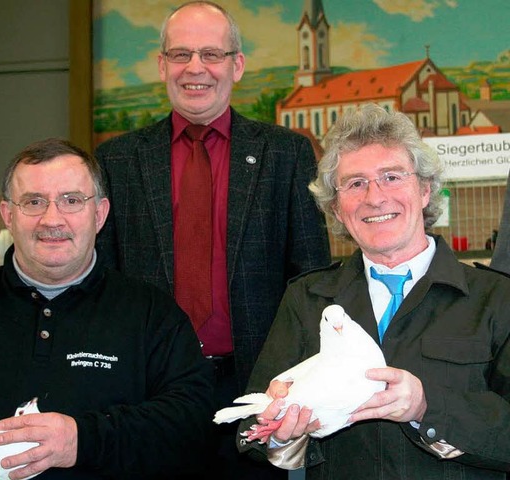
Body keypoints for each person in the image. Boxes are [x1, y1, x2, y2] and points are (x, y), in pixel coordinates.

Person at [0, 138, 214, 479]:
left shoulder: (151, 314)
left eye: (71, 200)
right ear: (8, 215)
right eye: (33, 201)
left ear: (100, 214)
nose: (52, 219)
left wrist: (84, 440)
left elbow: (191, 420)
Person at [94, 3, 330, 477]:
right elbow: (104, 285)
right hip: (148, 394)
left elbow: (311, 281)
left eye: (211, 54)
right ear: (162, 65)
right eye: (180, 54)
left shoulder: (286, 153)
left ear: (236, 65)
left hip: (256, 392)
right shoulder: (117, 161)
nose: (195, 68)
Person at [238, 103, 510, 478]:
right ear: (336, 209)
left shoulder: (496, 298)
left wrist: (426, 406)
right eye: (355, 183)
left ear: (426, 190)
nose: (375, 197)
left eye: (392, 176)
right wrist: (281, 437)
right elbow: (250, 433)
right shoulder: (307, 298)